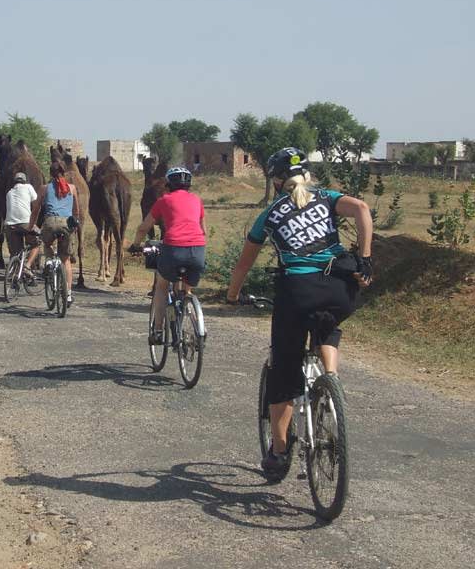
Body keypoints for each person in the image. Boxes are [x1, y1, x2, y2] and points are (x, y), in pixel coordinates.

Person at [225, 147, 373, 480]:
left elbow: (244, 262)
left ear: (276, 181)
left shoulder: (269, 214)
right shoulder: (327, 197)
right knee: (327, 321)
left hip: (298, 291)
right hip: (340, 288)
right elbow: (362, 208)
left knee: (283, 373)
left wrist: (232, 295)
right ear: (307, 175)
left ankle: (278, 454)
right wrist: (365, 258)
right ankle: (330, 381)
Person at [130, 167, 207, 343]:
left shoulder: (164, 200)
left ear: (168, 184)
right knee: (187, 290)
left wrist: (135, 245)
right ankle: (198, 328)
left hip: (173, 249)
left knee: (162, 286)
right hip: (197, 250)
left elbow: (144, 227)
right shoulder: (197, 200)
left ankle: (157, 331)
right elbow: (203, 230)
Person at [38, 162, 80, 305]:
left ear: (50, 173)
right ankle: (68, 294)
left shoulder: (44, 188)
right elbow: (76, 211)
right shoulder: (72, 188)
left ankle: (49, 261)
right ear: (64, 173)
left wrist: (32, 226)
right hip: (66, 224)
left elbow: (36, 210)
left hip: (50, 222)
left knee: (47, 244)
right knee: (66, 260)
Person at [4, 172, 40, 274]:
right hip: (26, 223)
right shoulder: (28, 187)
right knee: (36, 243)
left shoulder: (9, 192)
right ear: (24, 181)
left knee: (15, 253)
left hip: (10, 225)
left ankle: (16, 273)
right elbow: (36, 203)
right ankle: (27, 267)